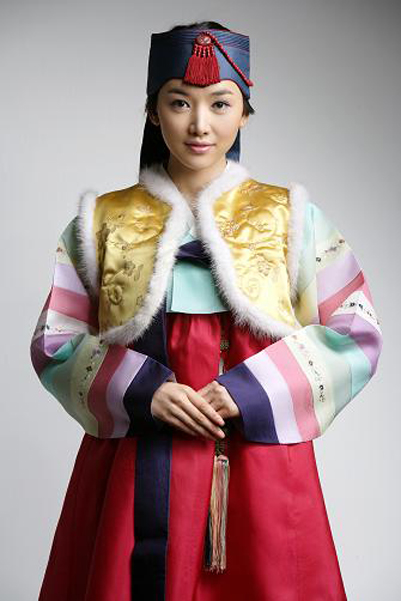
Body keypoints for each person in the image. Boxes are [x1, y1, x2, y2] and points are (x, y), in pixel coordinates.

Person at [30, 20, 383, 601]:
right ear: (153, 112)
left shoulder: (290, 217)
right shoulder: (101, 222)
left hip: (257, 461)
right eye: (179, 102)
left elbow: (357, 331)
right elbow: (55, 340)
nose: (200, 124)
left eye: (220, 103)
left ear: (244, 114)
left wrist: (249, 390)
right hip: (137, 460)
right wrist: (144, 390)